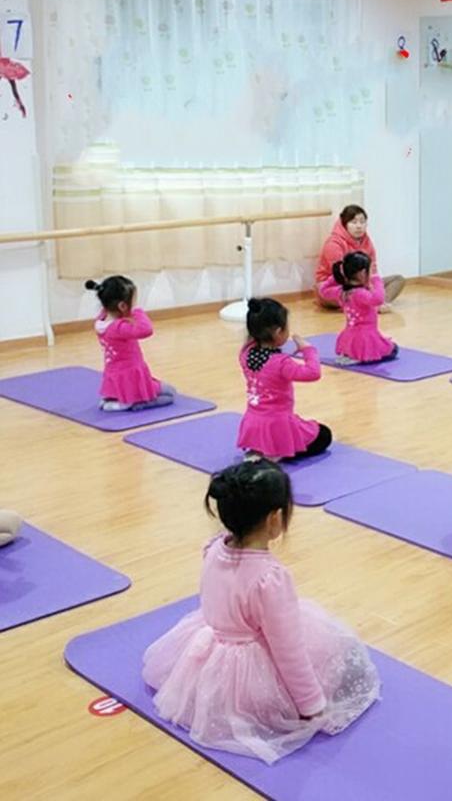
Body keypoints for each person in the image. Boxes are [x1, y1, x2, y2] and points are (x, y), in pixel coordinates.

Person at [141, 459, 379, 764]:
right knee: (335, 651)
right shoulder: (269, 579)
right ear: (275, 519)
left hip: (208, 648)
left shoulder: (213, 548)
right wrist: (311, 705)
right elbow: (288, 651)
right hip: (249, 673)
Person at [237, 298, 332, 462]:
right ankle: (276, 451)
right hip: (278, 424)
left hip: (253, 422)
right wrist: (308, 349)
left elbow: (259, 347)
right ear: (278, 332)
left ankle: (259, 449)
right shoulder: (281, 363)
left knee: (305, 425)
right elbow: (313, 373)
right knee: (324, 435)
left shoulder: (245, 354)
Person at [85, 276, 175, 412]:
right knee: (170, 394)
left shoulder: (101, 320)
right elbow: (146, 329)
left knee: (162, 388)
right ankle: (133, 404)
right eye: (133, 302)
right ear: (122, 306)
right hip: (130, 377)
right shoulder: (119, 328)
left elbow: (109, 309)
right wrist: (136, 310)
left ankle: (113, 398)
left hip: (115, 373)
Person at [314, 205, 404, 311]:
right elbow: (339, 274)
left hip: (363, 284)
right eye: (354, 222)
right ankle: (369, 305)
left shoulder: (367, 241)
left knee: (398, 280)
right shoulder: (333, 243)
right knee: (324, 291)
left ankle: (375, 304)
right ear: (344, 224)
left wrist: (372, 285)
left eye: (362, 222)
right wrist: (361, 288)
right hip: (339, 286)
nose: (359, 226)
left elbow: (373, 269)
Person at [317, 252, 398, 365]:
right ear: (363, 273)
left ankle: (351, 354)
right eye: (370, 270)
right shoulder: (360, 293)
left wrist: (335, 278)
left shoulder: (342, 292)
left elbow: (323, 290)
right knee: (394, 349)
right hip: (366, 337)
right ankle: (359, 356)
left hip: (349, 336)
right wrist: (376, 280)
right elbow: (378, 299)